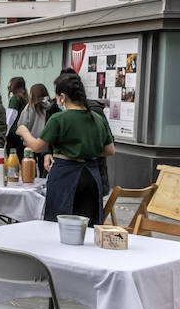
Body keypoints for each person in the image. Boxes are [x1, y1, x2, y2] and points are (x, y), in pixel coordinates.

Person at [16, 73, 114, 225]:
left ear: (62, 96)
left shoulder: (59, 118)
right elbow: (109, 150)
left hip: (65, 174)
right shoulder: (97, 117)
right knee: (88, 225)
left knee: (58, 222)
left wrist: (24, 131)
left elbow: (37, 147)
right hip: (92, 176)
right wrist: (86, 149)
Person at [5, 76, 28, 153]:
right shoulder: (27, 97)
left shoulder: (15, 99)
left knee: (12, 156)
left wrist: (5, 132)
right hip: (24, 131)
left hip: (14, 132)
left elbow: (10, 117)